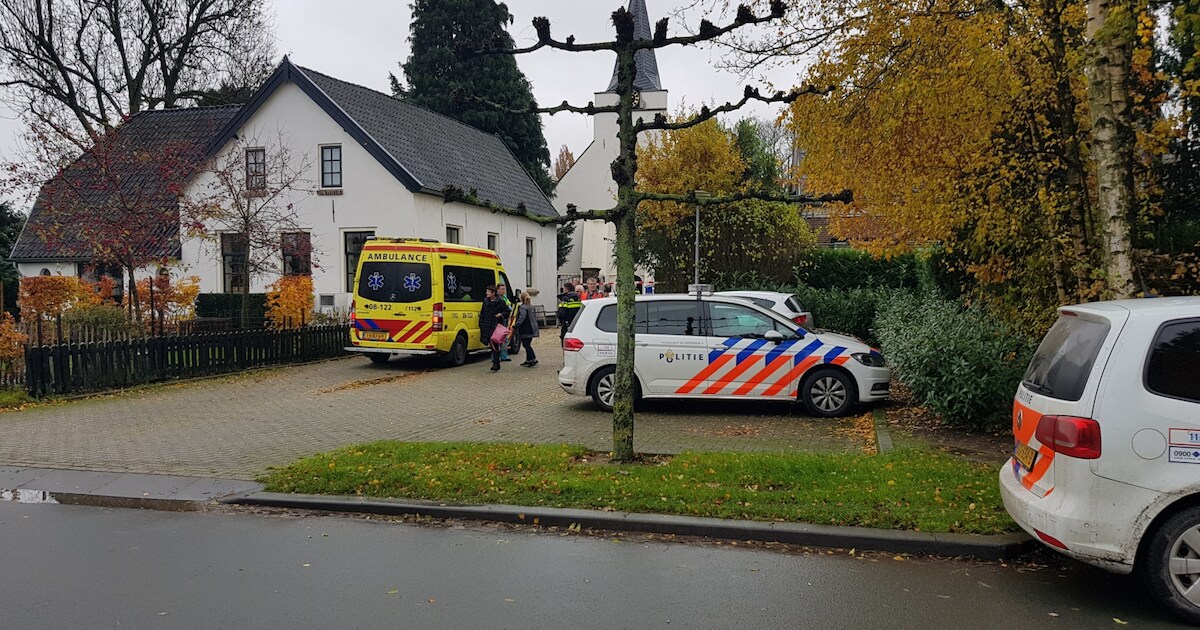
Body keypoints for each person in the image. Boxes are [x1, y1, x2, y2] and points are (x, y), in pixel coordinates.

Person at [478, 284, 511, 372]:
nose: (486, 293)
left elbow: (507, 311)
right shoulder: (485, 301)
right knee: (490, 344)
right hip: (486, 325)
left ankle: (495, 364)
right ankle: (496, 362)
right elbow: (483, 313)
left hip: (496, 325)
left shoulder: (500, 301)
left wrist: (501, 314)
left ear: (493, 293)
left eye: (488, 291)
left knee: (495, 344)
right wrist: (481, 323)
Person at [514, 293, 540, 367]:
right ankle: (529, 360)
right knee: (528, 343)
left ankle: (533, 359)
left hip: (526, 328)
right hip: (532, 327)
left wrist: (516, 325)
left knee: (526, 345)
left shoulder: (523, 307)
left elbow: (522, 317)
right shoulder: (531, 306)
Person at [496, 283, 517, 361]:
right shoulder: (496, 299)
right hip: (499, 321)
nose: (503, 291)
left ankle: (504, 355)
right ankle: (496, 356)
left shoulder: (505, 298)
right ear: (497, 290)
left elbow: (509, 308)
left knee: (504, 338)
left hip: (505, 320)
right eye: (502, 289)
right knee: (497, 339)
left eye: (504, 289)